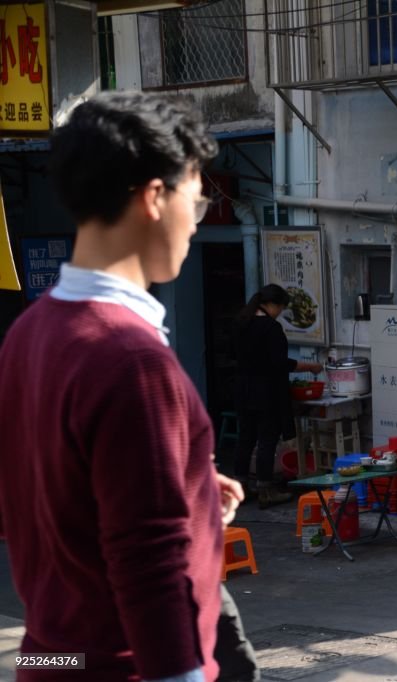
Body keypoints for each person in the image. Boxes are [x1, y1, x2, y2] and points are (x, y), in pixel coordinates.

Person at [0, 91, 252, 681]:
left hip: (49, 655)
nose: (197, 218)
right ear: (155, 197)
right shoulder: (130, 358)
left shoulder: (30, 332)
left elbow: (34, 498)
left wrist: (183, 485)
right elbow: (149, 559)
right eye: (196, 196)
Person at [233, 284, 322, 508]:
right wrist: (310, 366)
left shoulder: (241, 323)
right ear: (272, 304)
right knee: (266, 440)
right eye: (280, 308)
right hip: (266, 392)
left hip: (243, 389)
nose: (279, 313)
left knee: (245, 438)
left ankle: (241, 487)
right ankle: (266, 490)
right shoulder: (270, 328)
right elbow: (280, 363)